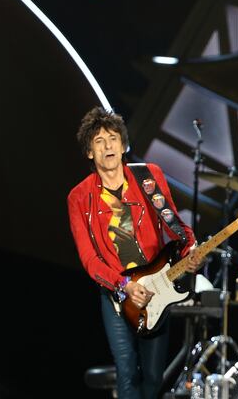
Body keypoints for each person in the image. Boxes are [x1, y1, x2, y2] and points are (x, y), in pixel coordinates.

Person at [67, 107, 202, 399]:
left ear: (123, 144)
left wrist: (189, 251)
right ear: (90, 152)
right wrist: (124, 285)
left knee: (153, 377)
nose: (107, 146)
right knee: (127, 371)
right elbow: (89, 259)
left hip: (156, 288)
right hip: (117, 294)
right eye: (99, 141)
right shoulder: (79, 197)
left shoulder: (148, 177)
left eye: (113, 138)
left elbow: (174, 224)